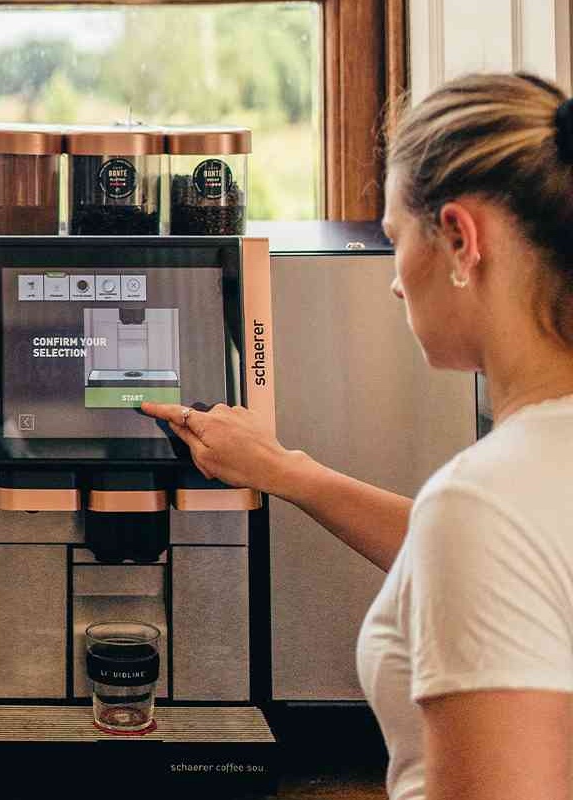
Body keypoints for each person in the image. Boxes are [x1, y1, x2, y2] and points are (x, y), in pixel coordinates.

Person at [142, 73, 573, 800]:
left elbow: (488, 543)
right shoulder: (513, 493)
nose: (395, 281)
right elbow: (522, 577)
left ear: (462, 239)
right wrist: (288, 471)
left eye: (394, 240)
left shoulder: (483, 505)